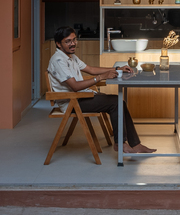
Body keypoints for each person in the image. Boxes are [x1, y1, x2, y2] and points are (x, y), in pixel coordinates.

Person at [46, 26, 154, 154]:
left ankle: (135, 144)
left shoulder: (70, 56)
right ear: (58, 44)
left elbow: (91, 69)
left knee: (120, 102)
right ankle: (120, 144)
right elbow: (75, 86)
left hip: (81, 96)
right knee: (116, 103)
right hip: (72, 102)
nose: (73, 43)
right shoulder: (59, 60)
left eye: (74, 40)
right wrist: (101, 77)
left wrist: (117, 69)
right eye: (68, 41)